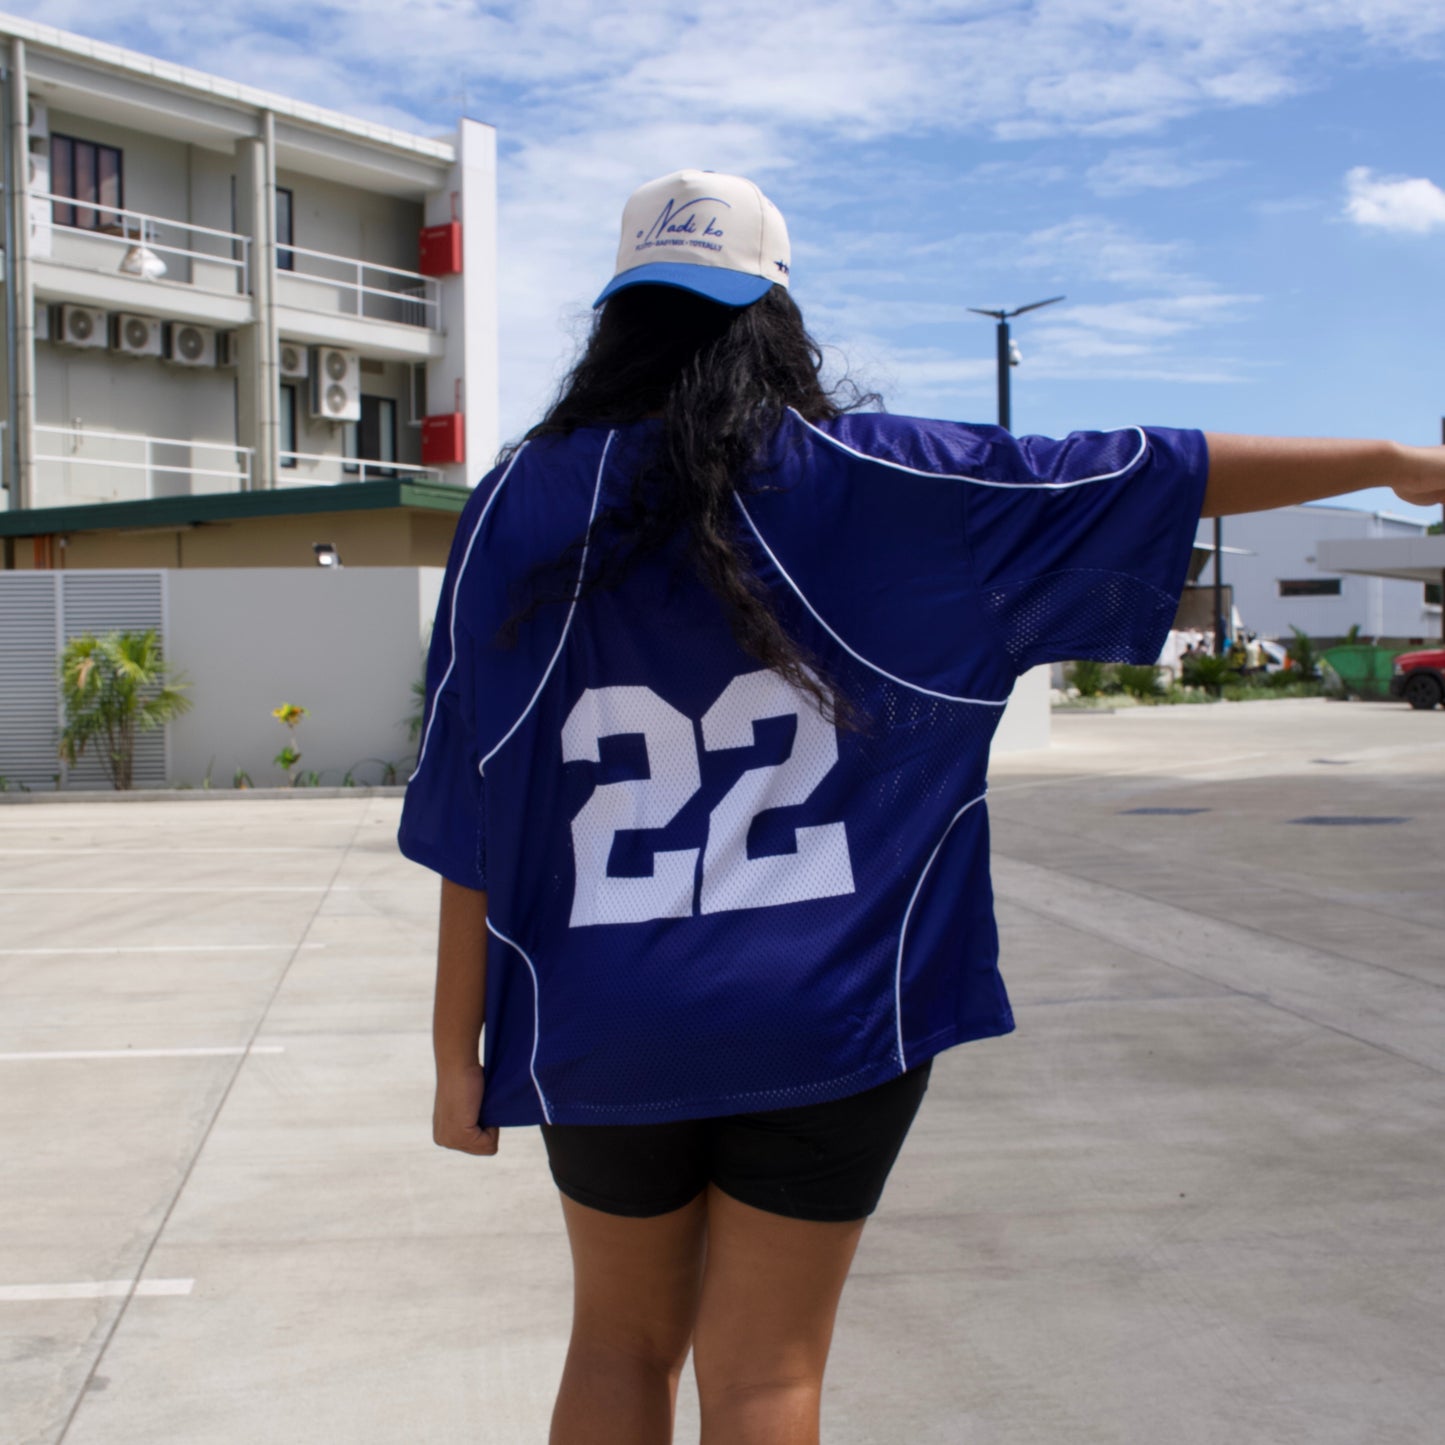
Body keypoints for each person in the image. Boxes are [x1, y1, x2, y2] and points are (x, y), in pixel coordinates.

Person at [397, 169, 1445, 1445]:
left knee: (615, 1350)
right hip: (834, 1004)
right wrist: (1397, 460)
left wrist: (460, 1050)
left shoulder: (513, 502)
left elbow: (471, 791)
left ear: (617, 309)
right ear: (774, 309)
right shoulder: (890, 480)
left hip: (601, 1007)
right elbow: (1152, 467)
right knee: (767, 1379)